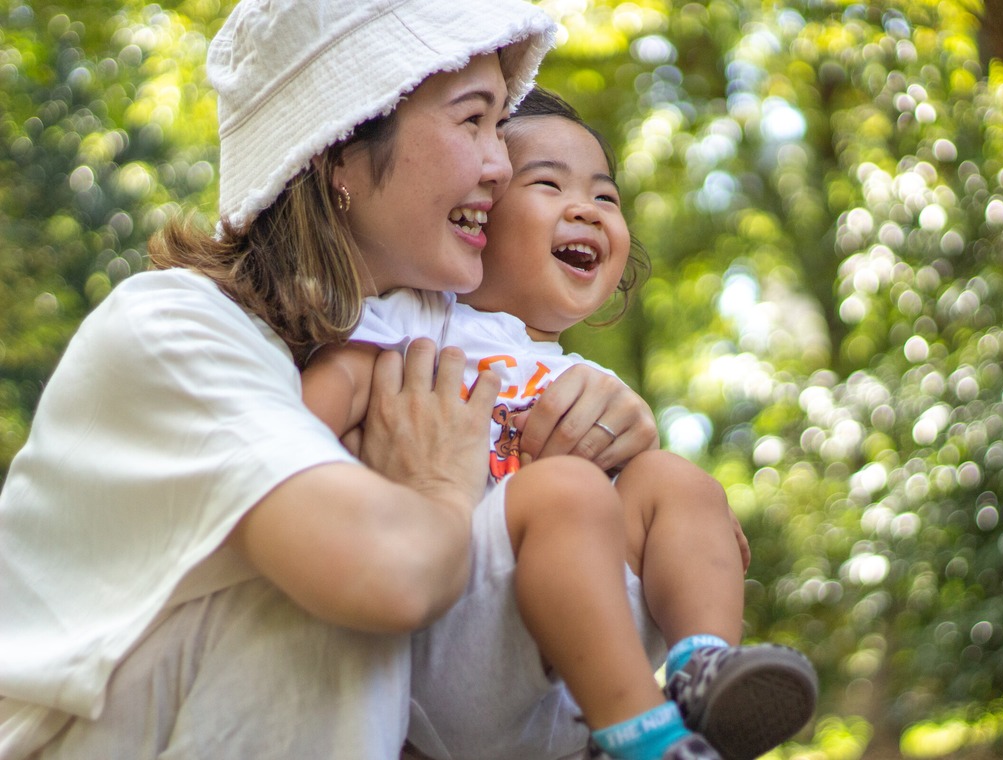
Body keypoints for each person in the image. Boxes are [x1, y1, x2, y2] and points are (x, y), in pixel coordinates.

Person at [0, 2, 667, 758]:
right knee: (348, 597)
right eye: (472, 122)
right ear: (338, 152)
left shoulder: (434, 365)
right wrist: (436, 488)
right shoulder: (174, 327)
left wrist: (595, 433)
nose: (501, 165)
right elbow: (390, 577)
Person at [301, 88, 819, 760]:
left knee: (678, 483)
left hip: (573, 688)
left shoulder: (599, 391)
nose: (586, 209)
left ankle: (699, 674)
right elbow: (312, 411)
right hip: (452, 654)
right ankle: (647, 738)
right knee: (568, 490)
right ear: (476, 212)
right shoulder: (417, 320)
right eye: (547, 184)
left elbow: (668, 527)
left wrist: (702, 532)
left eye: (606, 198)